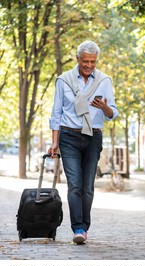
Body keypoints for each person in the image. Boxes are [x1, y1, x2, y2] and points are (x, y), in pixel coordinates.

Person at [48, 40, 119, 244]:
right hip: (69, 136)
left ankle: (85, 227)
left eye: (93, 62)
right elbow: (56, 113)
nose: (89, 65)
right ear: (78, 59)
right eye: (85, 61)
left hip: (93, 136)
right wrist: (55, 142)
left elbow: (111, 113)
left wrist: (104, 108)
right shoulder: (64, 80)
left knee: (88, 186)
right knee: (75, 185)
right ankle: (78, 228)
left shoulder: (104, 81)